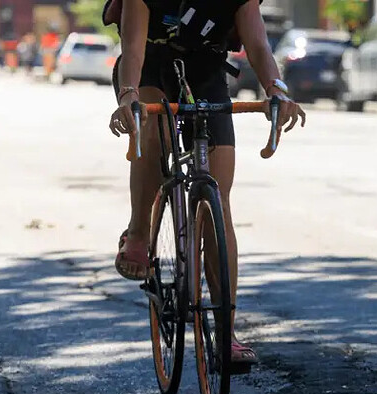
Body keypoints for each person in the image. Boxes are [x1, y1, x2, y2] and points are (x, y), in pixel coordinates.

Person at [107, 0, 305, 369]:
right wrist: (128, 96)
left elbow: (259, 45)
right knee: (154, 130)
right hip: (148, 69)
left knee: (218, 195)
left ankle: (226, 334)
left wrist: (276, 89)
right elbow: (132, 49)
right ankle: (138, 232)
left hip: (206, 71)